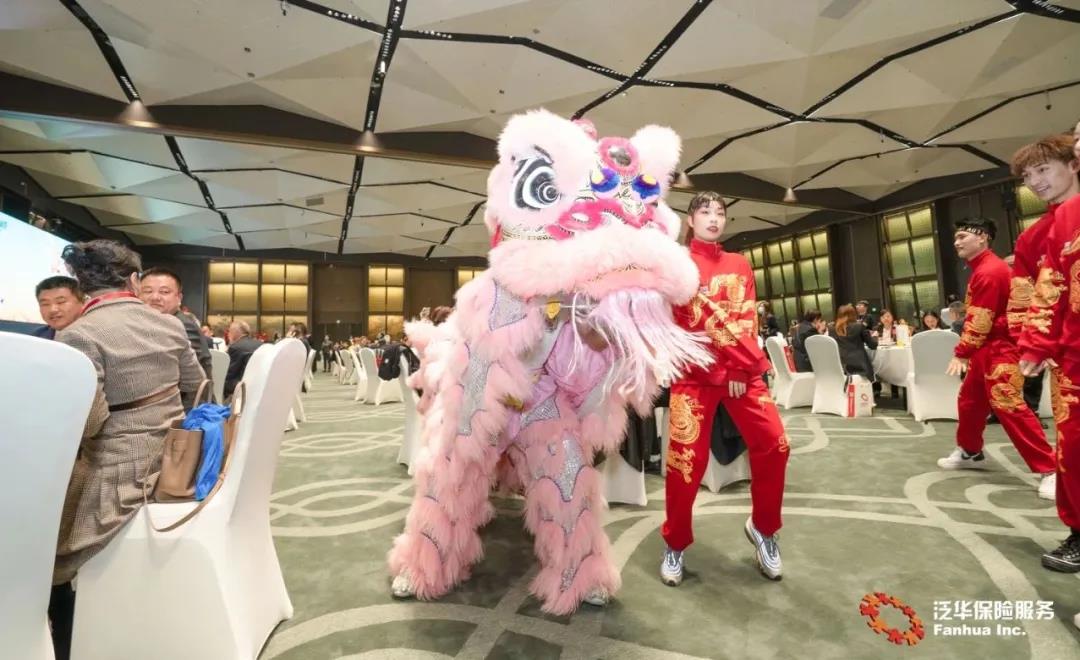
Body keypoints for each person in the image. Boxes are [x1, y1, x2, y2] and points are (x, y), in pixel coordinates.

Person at [49, 240, 204, 660]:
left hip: (119, 475)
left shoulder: (78, 334)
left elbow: (90, 422)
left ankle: (65, 641)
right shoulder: (170, 325)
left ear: (81, 285)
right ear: (134, 280)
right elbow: (196, 386)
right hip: (176, 461)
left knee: (44, 544)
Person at [661, 191, 789, 587]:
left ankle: (764, 528)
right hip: (694, 374)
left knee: (775, 444)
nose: (714, 218)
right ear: (690, 220)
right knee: (685, 465)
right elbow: (680, 319)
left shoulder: (739, 263)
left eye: (720, 212)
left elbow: (747, 315)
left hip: (740, 373)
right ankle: (675, 542)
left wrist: (737, 365)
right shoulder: (676, 265)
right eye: (705, 212)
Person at [937, 218, 1055, 498]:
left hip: (1002, 348)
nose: (956, 242)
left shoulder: (989, 271)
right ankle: (970, 450)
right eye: (956, 237)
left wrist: (962, 352)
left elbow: (981, 318)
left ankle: (1050, 469)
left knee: (1009, 405)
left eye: (963, 236)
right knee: (970, 401)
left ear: (983, 238)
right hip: (987, 347)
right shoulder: (984, 268)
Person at [1008, 134, 1080, 418]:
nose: (1034, 181)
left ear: (1073, 164)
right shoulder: (1031, 238)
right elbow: (1023, 296)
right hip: (1068, 356)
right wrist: (1033, 344)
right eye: (1026, 175)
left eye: (1042, 169)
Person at [138, 267, 214, 404]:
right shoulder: (143, 324)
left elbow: (191, 381)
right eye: (148, 291)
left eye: (164, 292)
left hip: (188, 407)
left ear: (179, 298)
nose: (155, 297)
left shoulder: (183, 325)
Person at [830, 305, 877, 380]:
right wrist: (875, 337)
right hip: (860, 367)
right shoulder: (859, 326)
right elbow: (872, 345)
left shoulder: (832, 330)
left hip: (841, 367)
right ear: (853, 314)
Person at [223, 320, 262, 400]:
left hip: (242, 386)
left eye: (229, 332)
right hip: (259, 385)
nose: (228, 335)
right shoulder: (261, 344)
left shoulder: (235, 347)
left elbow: (229, 374)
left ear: (234, 333)